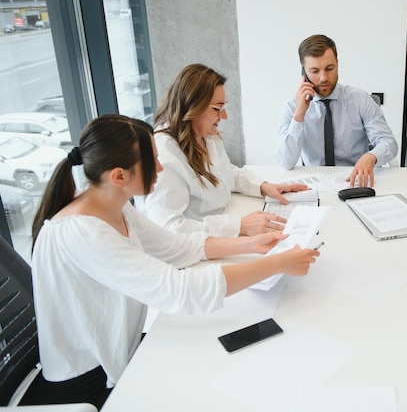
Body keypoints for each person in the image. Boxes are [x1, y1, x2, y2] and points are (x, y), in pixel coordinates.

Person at [24, 115, 319, 409]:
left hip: (120, 350)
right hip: (90, 381)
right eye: (153, 160)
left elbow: (177, 246)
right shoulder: (82, 232)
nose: (161, 168)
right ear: (118, 176)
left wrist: (251, 244)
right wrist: (277, 264)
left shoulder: (113, 205)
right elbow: (180, 290)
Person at [145, 64, 308, 237]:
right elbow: (169, 228)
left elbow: (225, 172)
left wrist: (263, 186)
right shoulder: (165, 157)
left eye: (224, 107)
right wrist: (239, 226)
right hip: (196, 249)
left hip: (226, 219)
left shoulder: (205, 134)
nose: (224, 116)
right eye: (217, 109)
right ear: (191, 106)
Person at [276, 34, 398, 187]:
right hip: (314, 184)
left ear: (337, 64)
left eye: (329, 68)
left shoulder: (361, 99)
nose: (323, 78)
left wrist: (371, 156)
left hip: (355, 180)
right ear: (304, 72)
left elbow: (389, 142)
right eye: (314, 71)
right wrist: (299, 115)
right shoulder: (291, 108)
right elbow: (285, 162)